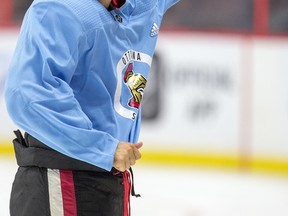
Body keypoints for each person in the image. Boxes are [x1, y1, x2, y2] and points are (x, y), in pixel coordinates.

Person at [4, 0, 180, 215]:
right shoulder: (58, 8)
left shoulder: (142, 4)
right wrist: (103, 148)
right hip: (62, 179)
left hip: (110, 179)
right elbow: (27, 95)